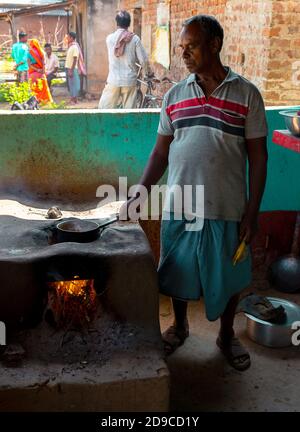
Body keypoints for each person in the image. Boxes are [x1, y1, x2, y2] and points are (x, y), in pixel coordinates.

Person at [121, 15, 268, 371]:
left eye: (191, 46)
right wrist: (139, 193)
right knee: (176, 270)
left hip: (227, 206)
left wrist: (252, 211)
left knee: (229, 276)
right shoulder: (174, 95)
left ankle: (226, 334)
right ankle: (180, 325)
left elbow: (259, 157)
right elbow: (160, 153)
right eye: (181, 48)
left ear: (215, 44)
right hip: (181, 206)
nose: (183, 54)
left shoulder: (246, 94)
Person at [98, 10, 153, 109]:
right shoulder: (135, 39)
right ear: (129, 23)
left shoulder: (109, 39)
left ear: (117, 23)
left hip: (113, 80)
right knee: (129, 113)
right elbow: (143, 60)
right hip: (129, 81)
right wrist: (146, 74)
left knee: (105, 110)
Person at [27, 39, 53, 104]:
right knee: (43, 88)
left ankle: (35, 101)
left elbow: (29, 65)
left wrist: (37, 70)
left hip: (33, 73)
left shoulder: (29, 53)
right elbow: (44, 63)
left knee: (34, 88)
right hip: (41, 73)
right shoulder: (42, 52)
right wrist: (43, 71)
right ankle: (45, 101)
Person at [65, 31, 84, 104]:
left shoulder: (75, 47)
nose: (67, 39)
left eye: (68, 37)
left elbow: (75, 58)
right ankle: (74, 99)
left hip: (72, 68)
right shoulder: (71, 46)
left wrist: (71, 70)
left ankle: (73, 99)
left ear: (72, 38)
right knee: (71, 84)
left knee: (74, 84)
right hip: (69, 68)